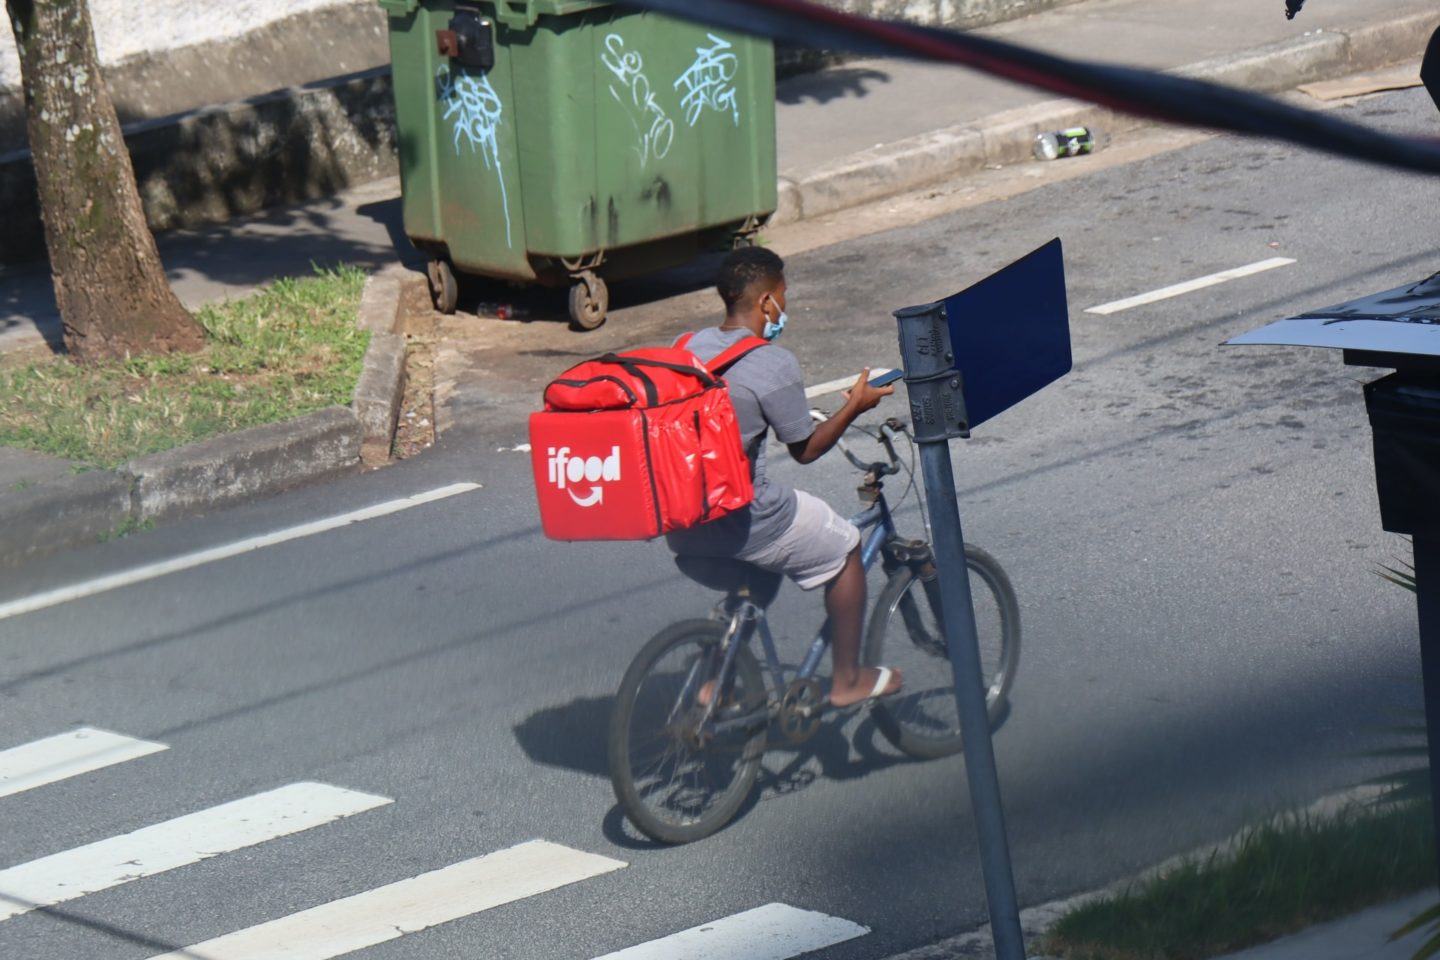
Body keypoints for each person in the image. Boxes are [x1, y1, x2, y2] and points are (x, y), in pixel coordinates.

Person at [667, 247, 904, 708]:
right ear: (766, 303)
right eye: (783, 296)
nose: (785, 307)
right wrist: (856, 404)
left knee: (762, 578)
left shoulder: (686, 347)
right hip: (744, 518)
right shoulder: (771, 364)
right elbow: (806, 450)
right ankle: (847, 680)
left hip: (684, 525)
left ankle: (720, 682)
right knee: (846, 546)